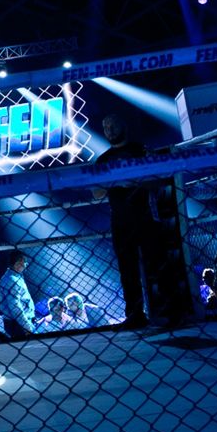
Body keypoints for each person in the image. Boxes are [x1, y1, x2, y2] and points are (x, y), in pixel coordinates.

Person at [94, 114, 155, 329]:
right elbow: (96, 193)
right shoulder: (103, 160)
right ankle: (135, 314)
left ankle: (165, 310)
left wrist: (134, 179)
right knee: (127, 270)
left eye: (112, 125)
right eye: (105, 127)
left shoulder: (141, 150)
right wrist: (115, 180)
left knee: (155, 264)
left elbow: (154, 179)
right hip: (120, 220)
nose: (109, 130)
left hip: (144, 215)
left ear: (123, 125)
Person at [0, 250, 36, 339]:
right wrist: (26, 326)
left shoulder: (16, 277)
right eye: (24, 262)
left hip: (20, 322)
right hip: (18, 325)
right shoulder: (11, 280)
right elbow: (15, 306)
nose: (26, 265)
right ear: (17, 263)